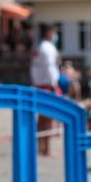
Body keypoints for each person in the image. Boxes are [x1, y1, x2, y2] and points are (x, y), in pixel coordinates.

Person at [29, 24, 60, 156]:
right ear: (49, 32)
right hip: (47, 85)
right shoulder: (47, 48)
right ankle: (46, 148)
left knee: (41, 119)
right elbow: (49, 68)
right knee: (48, 118)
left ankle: (41, 147)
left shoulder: (39, 47)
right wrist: (53, 84)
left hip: (39, 83)